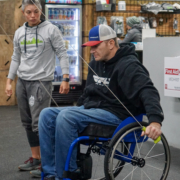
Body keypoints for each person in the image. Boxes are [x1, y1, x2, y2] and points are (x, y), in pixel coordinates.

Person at [39, 24, 163, 180]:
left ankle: (67, 175)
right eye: (90, 47)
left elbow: (148, 91)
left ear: (111, 43)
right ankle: (50, 173)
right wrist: (80, 108)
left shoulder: (129, 65)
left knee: (67, 117)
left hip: (117, 115)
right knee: (46, 114)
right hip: (93, 110)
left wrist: (155, 121)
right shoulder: (95, 64)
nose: (92, 50)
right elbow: (87, 93)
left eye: (96, 46)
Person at [5, 0, 69, 178]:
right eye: (28, 12)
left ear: (40, 11)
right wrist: (9, 80)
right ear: (23, 13)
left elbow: (62, 54)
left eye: (35, 11)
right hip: (22, 81)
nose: (32, 16)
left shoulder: (51, 29)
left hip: (41, 82)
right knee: (27, 123)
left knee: (39, 124)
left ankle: (48, 163)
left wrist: (65, 77)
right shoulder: (19, 32)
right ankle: (36, 158)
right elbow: (16, 57)